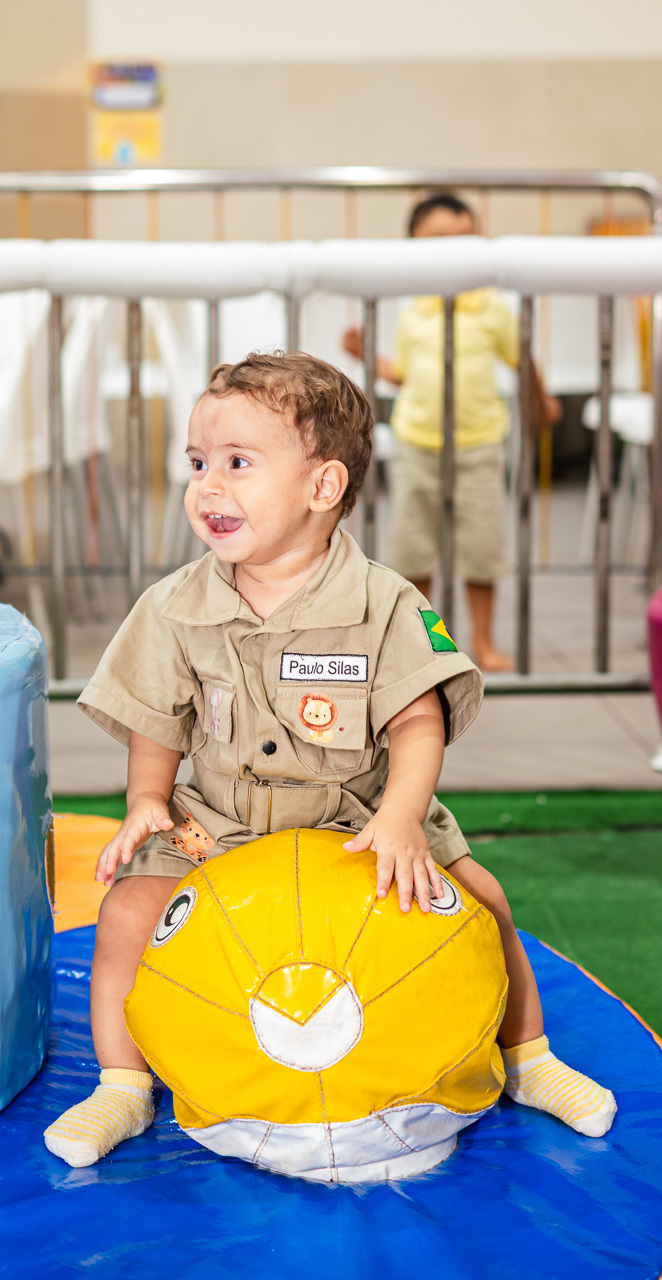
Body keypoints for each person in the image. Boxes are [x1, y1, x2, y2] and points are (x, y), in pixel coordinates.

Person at [44, 352, 614, 1168]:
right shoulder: (173, 605)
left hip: (359, 817)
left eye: (238, 464)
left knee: (483, 899)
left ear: (323, 488)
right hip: (219, 825)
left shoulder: (385, 602)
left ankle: (530, 1058)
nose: (209, 486)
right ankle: (122, 1084)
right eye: (197, 464)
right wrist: (146, 799)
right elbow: (156, 717)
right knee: (127, 914)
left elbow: (420, 723)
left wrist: (404, 819)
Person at [343, 192, 562, 672]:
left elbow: (521, 358)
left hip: (479, 442)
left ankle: (482, 638)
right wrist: (366, 354)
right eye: (439, 243)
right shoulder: (414, 311)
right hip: (419, 442)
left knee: (481, 549)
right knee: (415, 550)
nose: (453, 255)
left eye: (465, 242)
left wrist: (540, 401)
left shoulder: (489, 307)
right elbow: (403, 374)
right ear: (414, 250)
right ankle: (428, 640)